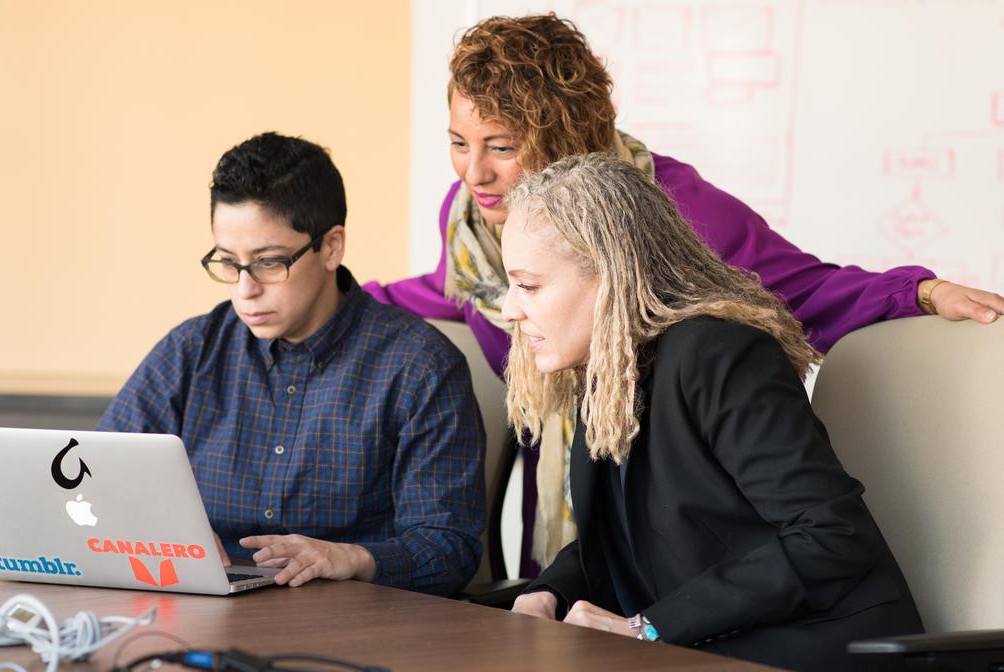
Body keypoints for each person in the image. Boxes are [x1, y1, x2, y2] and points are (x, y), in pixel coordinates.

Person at [362, 13, 1004, 576]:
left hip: (679, 525)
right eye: (457, 142)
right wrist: (338, 297)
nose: (474, 172)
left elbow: (803, 289)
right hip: (577, 522)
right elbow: (454, 293)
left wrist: (921, 293)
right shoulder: (474, 218)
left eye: (501, 147)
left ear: (561, 136)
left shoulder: (674, 208)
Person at [503, 152, 924, 671]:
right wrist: (548, 594)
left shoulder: (721, 353)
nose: (507, 308)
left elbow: (831, 534)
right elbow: (626, 539)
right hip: (705, 645)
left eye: (528, 285)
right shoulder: (606, 370)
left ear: (611, 275)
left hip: (815, 647)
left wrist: (648, 628)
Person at [97, 132, 486, 596]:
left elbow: (449, 548)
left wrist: (352, 557)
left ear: (331, 247)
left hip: (351, 628)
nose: (245, 289)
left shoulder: (420, 367)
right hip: (198, 615)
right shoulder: (191, 351)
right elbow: (100, 479)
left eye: (268, 262)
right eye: (228, 263)